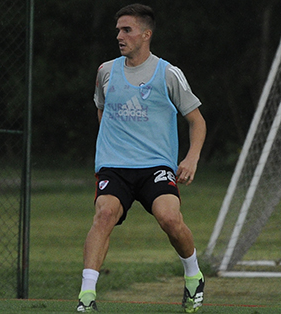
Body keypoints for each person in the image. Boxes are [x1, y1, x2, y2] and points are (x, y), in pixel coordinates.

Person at [76, 4, 206, 313]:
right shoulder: (106, 71)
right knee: (104, 214)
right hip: (114, 165)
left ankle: (194, 275)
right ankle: (86, 296)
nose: (119, 36)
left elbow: (197, 120)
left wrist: (190, 158)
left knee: (170, 218)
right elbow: (102, 111)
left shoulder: (168, 74)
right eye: (118, 30)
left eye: (127, 30)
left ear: (146, 35)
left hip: (156, 167)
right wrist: (114, 147)